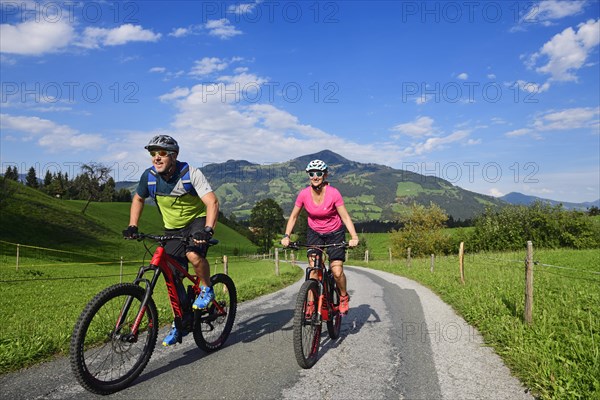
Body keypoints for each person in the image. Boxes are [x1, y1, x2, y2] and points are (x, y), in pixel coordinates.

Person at [123, 135, 219, 346]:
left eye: (162, 153)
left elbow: (212, 202)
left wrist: (208, 230)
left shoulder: (190, 174)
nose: (156, 158)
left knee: (193, 254)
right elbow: (138, 199)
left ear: (174, 156)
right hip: (172, 228)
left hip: (196, 222)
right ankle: (181, 320)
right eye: (153, 153)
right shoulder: (148, 177)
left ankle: (206, 288)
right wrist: (133, 226)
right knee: (172, 277)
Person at [281, 159, 359, 315]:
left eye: (318, 173)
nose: (315, 176)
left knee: (337, 271)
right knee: (313, 271)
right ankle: (310, 303)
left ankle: (343, 296)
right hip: (315, 233)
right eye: (312, 173)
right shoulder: (303, 194)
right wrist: (286, 235)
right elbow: (294, 217)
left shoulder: (333, 193)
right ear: (309, 175)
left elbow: (344, 216)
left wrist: (354, 236)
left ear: (325, 175)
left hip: (335, 233)